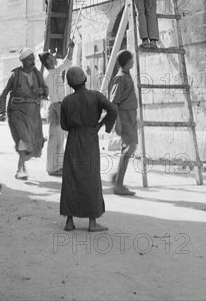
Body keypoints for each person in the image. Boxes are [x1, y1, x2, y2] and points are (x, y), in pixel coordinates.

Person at [60, 66, 117, 232]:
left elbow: (64, 125)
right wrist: (101, 126)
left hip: (73, 140)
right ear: (85, 80)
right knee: (91, 178)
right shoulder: (95, 96)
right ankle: (92, 223)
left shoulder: (66, 101)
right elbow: (113, 109)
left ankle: (69, 222)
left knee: (71, 178)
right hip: (90, 139)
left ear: (70, 84)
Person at [0, 48, 49, 180]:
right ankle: (20, 169)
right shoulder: (15, 75)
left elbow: (46, 91)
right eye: (30, 60)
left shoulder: (37, 74)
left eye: (33, 59)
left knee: (31, 143)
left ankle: (21, 169)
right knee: (24, 139)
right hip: (17, 112)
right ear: (23, 61)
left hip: (33, 114)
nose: (33, 62)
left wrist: (41, 92)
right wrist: (2, 111)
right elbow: (3, 94)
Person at [39, 40, 75, 176]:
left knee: (60, 139)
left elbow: (67, 62)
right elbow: (54, 100)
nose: (55, 57)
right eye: (52, 57)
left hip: (60, 108)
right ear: (48, 61)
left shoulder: (55, 72)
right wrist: (61, 116)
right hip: (56, 110)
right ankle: (52, 168)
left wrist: (70, 48)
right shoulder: (49, 76)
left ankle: (58, 167)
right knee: (55, 139)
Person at [109, 50, 138, 196]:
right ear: (126, 62)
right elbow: (114, 102)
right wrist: (117, 123)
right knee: (129, 148)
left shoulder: (127, 75)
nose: (133, 61)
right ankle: (119, 184)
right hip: (125, 117)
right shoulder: (120, 78)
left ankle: (117, 178)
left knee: (129, 148)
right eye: (131, 59)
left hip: (131, 117)